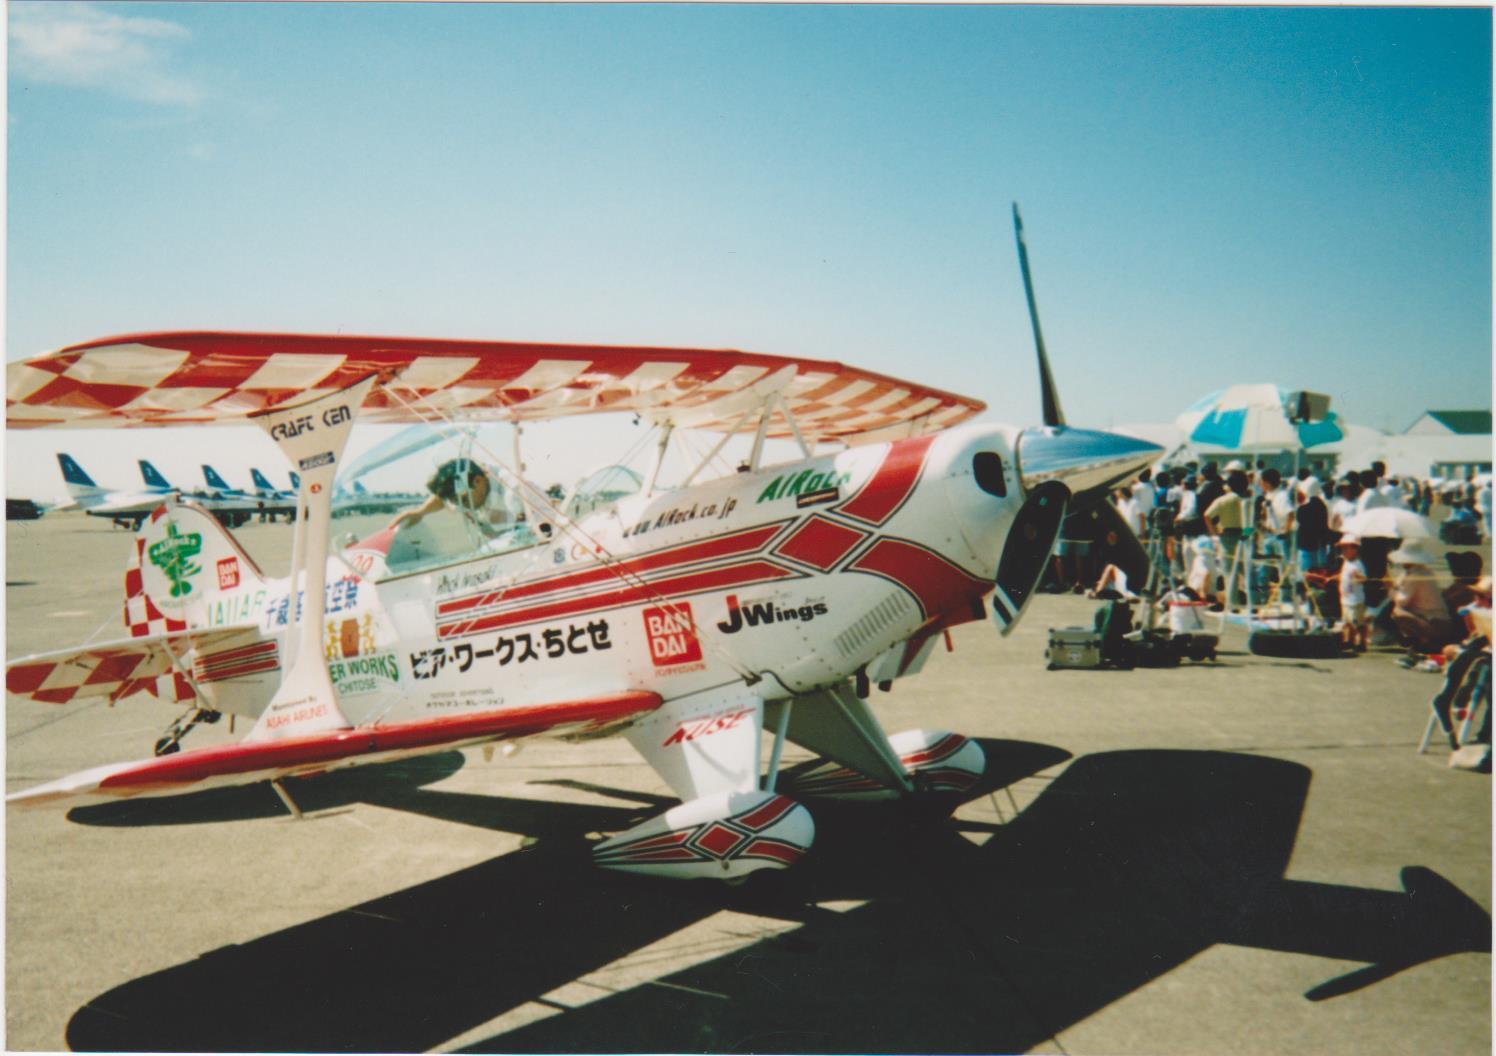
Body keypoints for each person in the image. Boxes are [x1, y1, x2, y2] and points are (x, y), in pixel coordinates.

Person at [388, 458, 509, 537]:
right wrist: (420, 512)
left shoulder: (511, 489)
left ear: (477, 481)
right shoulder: (465, 491)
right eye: (455, 501)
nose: (460, 507)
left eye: (464, 500)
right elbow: (441, 500)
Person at [1389, 540, 1462, 655]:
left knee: (1397, 612)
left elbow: (1401, 601)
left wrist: (1391, 590)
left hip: (1436, 623)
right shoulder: (1417, 572)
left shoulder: (1417, 575)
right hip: (1434, 619)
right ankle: (1422, 640)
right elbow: (1400, 586)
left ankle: (1426, 641)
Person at [1337, 534, 1370, 652]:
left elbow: (1364, 579)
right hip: (1346, 598)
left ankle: (1362, 642)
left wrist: (1358, 577)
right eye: (1342, 548)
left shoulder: (1358, 564)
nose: (1344, 551)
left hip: (1356, 600)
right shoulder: (1346, 562)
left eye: (1346, 548)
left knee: (1358, 622)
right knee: (1347, 622)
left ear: (1355, 549)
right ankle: (1349, 640)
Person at [1294, 477, 1332, 571]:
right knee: (1316, 565)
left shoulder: (1306, 506)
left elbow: (1299, 518)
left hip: (1306, 541)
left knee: (1307, 566)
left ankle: (1305, 582)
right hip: (1318, 540)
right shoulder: (1322, 504)